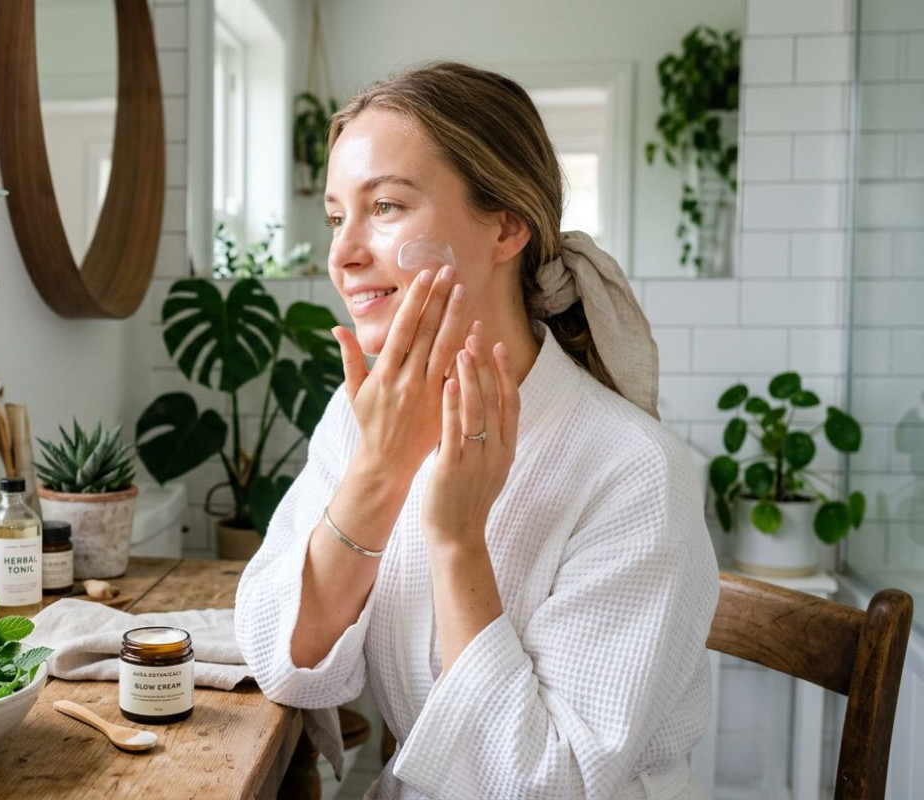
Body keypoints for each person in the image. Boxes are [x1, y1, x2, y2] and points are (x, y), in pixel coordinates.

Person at [234, 62, 719, 800]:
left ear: (507, 225)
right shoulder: (366, 418)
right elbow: (283, 654)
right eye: (337, 216)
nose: (342, 253)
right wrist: (380, 471)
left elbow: (547, 784)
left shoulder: (635, 472)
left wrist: (458, 537)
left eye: (386, 206)